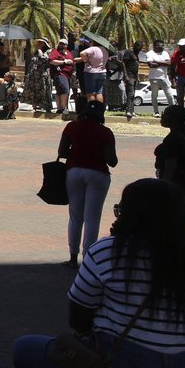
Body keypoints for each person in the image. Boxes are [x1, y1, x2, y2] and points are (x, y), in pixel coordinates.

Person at [12, 178, 185, 368]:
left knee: (26, 349)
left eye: (120, 210)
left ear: (131, 214)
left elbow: (78, 319)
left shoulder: (108, 252)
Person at [57, 102, 118, 266]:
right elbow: (112, 161)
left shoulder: (71, 127)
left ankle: (72, 257)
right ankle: (88, 259)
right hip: (98, 173)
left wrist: (78, 153)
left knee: (75, 217)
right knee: (92, 218)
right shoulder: (105, 132)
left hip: (74, 171)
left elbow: (62, 152)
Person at [143, 39, 175, 115]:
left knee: (169, 95)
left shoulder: (165, 53)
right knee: (154, 95)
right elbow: (150, 64)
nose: (163, 47)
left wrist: (156, 62)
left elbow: (169, 63)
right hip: (153, 78)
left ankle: (172, 111)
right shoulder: (149, 53)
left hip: (164, 78)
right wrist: (163, 63)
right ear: (156, 46)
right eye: (162, 45)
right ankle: (156, 112)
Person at [79, 38, 108, 105]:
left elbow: (82, 53)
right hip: (102, 72)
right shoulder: (105, 50)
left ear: (94, 42)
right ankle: (99, 109)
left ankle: (92, 108)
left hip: (91, 72)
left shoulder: (93, 49)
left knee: (90, 92)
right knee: (99, 92)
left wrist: (86, 61)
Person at [119, 41, 143, 121]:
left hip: (135, 76)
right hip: (129, 76)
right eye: (139, 48)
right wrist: (125, 75)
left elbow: (136, 66)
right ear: (135, 46)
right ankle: (128, 110)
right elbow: (123, 63)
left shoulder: (136, 55)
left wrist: (138, 76)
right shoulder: (129, 53)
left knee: (133, 94)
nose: (140, 50)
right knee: (130, 93)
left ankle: (132, 110)